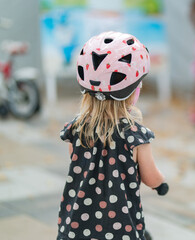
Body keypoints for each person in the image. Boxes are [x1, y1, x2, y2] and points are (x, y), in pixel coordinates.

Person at [57, 31, 169, 240]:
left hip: (76, 227)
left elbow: (77, 164)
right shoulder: (135, 136)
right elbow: (150, 176)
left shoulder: (75, 130)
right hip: (121, 230)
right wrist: (161, 184)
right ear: (133, 91)